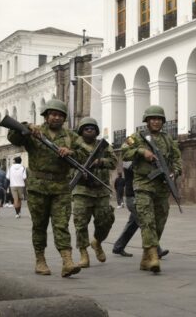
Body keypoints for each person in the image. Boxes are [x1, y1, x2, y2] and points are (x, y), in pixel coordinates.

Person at [6, 99, 82, 278]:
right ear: (46, 116)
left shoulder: (71, 136)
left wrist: (71, 152)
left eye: (60, 115)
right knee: (39, 225)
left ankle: (67, 261)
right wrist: (26, 126)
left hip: (61, 187)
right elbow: (13, 137)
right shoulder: (36, 132)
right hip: (38, 187)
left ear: (64, 118)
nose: (56, 118)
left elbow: (84, 154)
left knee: (61, 225)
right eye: (52, 114)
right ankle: (40, 260)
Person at [121, 105, 181, 273]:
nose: (156, 121)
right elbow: (124, 152)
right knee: (147, 221)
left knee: (160, 222)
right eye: (152, 119)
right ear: (146, 121)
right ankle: (154, 256)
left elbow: (177, 159)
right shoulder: (137, 137)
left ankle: (146, 257)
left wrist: (174, 173)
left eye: (159, 119)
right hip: (143, 184)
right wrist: (141, 151)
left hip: (162, 186)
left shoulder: (168, 139)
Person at [72, 117, 116, 268]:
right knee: (80, 223)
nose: (89, 130)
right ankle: (83, 253)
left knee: (106, 220)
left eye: (92, 128)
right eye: (86, 128)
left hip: (101, 190)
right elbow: (67, 164)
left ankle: (97, 242)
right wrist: (78, 171)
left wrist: (100, 161)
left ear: (96, 131)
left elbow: (114, 161)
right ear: (81, 131)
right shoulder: (75, 146)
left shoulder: (103, 146)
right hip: (82, 190)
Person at [112, 163, 169, 259]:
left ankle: (118, 247)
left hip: (140, 196)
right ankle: (156, 250)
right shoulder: (129, 158)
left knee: (132, 225)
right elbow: (135, 168)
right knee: (146, 223)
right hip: (133, 197)